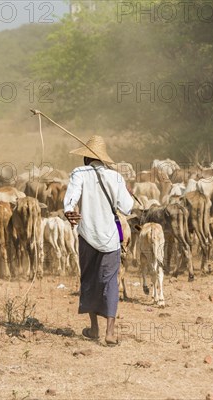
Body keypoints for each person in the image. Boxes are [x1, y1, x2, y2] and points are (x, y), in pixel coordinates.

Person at [63, 135, 134, 345]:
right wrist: (128, 192)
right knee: (110, 281)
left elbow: (71, 200)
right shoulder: (116, 177)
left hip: (87, 236)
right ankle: (110, 332)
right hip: (111, 239)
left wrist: (69, 211)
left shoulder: (79, 173)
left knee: (89, 279)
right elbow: (127, 207)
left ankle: (94, 328)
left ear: (85, 158)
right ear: (103, 158)